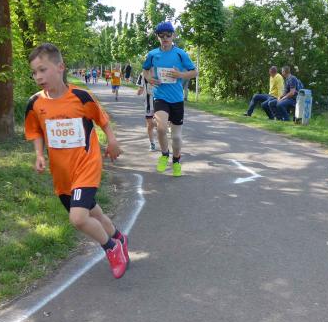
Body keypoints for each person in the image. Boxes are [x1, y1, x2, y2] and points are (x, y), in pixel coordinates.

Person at [24, 43, 129, 279]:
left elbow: (102, 120)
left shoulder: (81, 97)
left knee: (78, 218)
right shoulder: (35, 103)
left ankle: (111, 248)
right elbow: (35, 131)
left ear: (60, 67)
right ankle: (119, 238)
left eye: (43, 70)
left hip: (86, 165)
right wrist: (39, 154)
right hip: (62, 173)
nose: (38, 76)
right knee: (94, 213)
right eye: (34, 72)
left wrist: (112, 142)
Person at [142, 22, 198, 176]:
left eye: (168, 35)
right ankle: (165, 154)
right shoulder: (152, 54)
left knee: (176, 137)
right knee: (161, 128)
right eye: (162, 35)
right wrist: (149, 79)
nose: (165, 38)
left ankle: (176, 160)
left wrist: (181, 75)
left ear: (173, 36)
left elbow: (194, 72)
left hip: (177, 99)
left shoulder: (180, 54)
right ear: (158, 37)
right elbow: (145, 70)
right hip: (160, 97)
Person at [135, 72, 157, 151]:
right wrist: (139, 91)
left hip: (159, 102)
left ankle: (156, 142)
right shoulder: (143, 74)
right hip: (150, 104)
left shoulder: (159, 70)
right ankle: (153, 143)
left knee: (155, 124)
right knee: (151, 125)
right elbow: (140, 90)